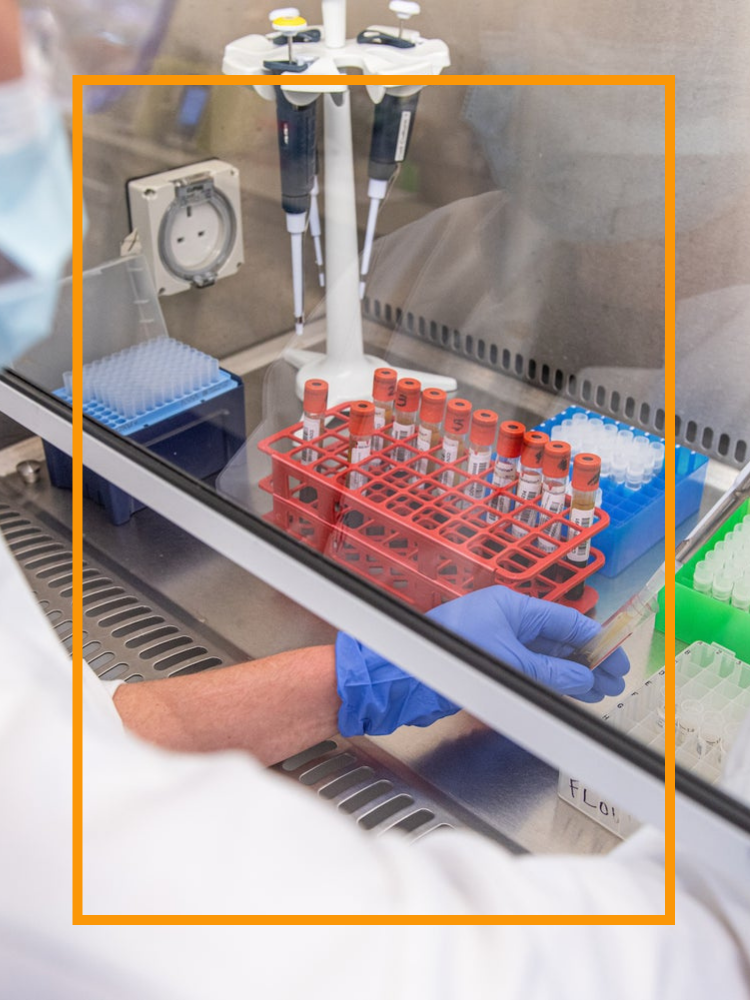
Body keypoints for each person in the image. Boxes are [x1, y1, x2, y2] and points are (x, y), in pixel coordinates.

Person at [1, 0, 750, 993]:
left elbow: (67, 745)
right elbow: (316, 960)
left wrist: (349, 676)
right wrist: (717, 906)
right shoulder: (440, 252)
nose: (39, 67)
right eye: (24, 35)